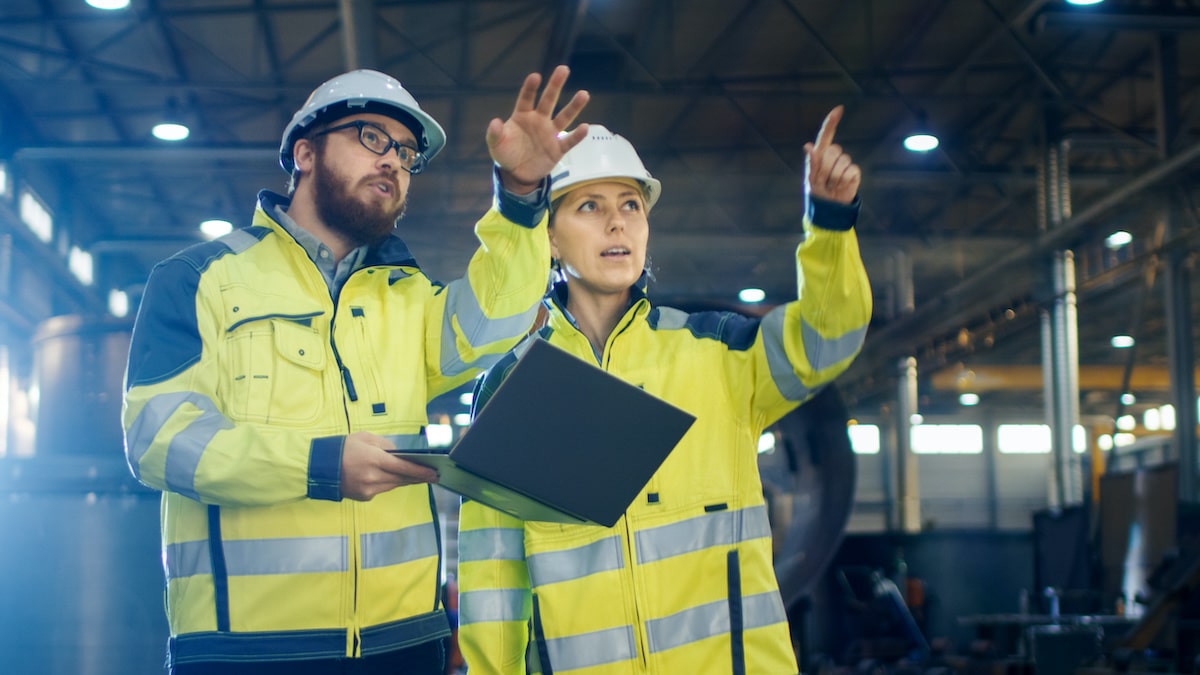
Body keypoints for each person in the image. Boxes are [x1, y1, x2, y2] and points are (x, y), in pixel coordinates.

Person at [121, 65, 589, 674]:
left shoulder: (406, 296)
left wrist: (522, 197)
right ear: (304, 151)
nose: (392, 160)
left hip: (403, 645)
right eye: (371, 137)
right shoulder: (197, 279)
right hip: (247, 652)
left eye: (405, 152)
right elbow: (159, 440)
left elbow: (497, 321)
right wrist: (317, 466)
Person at [455, 110, 872, 675]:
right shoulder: (514, 384)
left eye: (631, 205)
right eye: (589, 207)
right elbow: (493, 571)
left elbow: (826, 341)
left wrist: (829, 225)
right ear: (549, 239)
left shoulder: (720, 353)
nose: (617, 224)